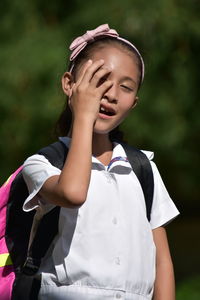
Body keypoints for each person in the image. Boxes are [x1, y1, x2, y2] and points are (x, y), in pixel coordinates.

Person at [22, 24, 179, 300]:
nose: (111, 94)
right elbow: (72, 193)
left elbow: (161, 260)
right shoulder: (42, 164)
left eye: (126, 87)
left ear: (134, 103)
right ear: (69, 84)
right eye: (100, 80)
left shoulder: (143, 168)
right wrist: (83, 114)